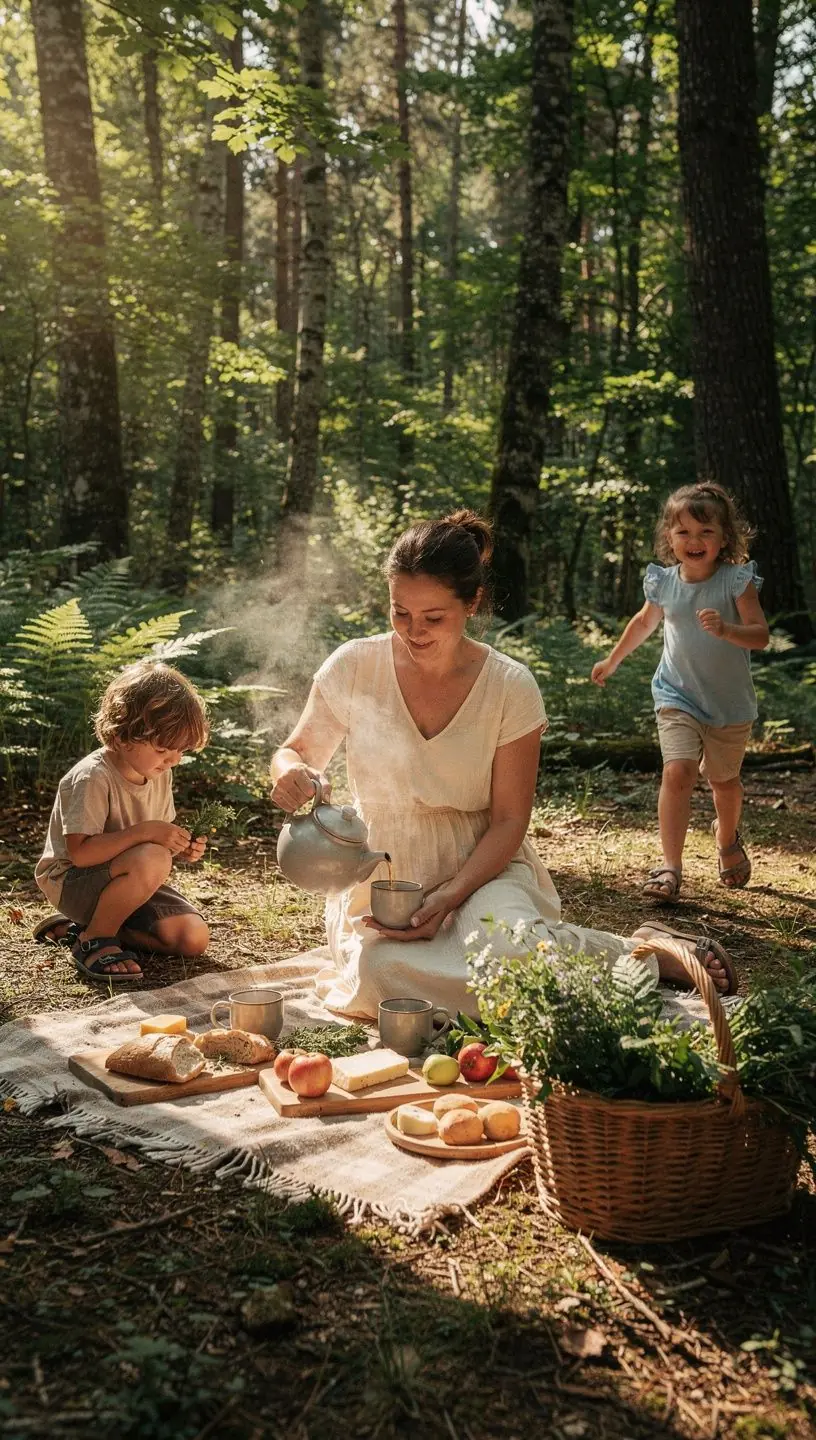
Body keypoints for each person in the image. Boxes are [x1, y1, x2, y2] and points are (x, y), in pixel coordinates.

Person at [271, 510, 739, 1019]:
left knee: (513, 955)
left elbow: (510, 821)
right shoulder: (355, 665)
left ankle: (648, 955)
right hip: (382, 876)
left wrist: (449, 897)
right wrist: (290, 774)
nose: (413, 631)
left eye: (433, 617)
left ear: (471, 603)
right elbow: (294, 751)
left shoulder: (510, 686)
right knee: (377, 975)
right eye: (399, 612)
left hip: (483, 867)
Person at [591, 482, 769, 903]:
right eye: (683, 532)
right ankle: (671, 867)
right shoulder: (664, 582)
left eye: (706, 532)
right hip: (676, 694)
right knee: (678, 771)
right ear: (669, 537)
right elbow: (642, 622)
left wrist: (728, 630)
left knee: (724, 783)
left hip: (728, 705)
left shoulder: (736, 581)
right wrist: (612, 660)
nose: (694, 541)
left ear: (724, 538)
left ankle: (726, 838)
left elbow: (760, 636)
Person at [34, 660, 211, 983]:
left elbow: (152, 850)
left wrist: (179, 847)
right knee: (152, 856)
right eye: (162, 749)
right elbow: (82, 854)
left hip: (126, 881)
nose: (173, 760)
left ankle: (87, 928)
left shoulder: (158, 773)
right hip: (73, 883)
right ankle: (95, 940)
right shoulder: (92, 778)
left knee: (193, 938)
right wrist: (148, 834)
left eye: (181, 751)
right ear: (121, 736)